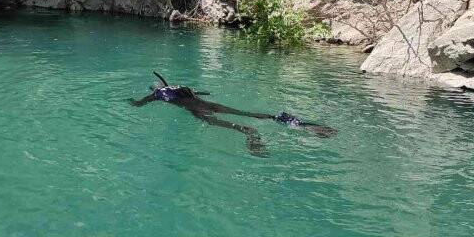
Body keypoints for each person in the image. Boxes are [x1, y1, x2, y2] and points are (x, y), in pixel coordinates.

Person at [130, 72, 336, 155]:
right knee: (248, 112)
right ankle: (300, 124)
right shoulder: (179, 86)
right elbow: (197, 92)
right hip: (208, 102)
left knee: (219, 124)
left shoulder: (157, 94)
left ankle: (249, 133)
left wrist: (133, 102)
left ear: (153, 89)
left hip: (196, 109)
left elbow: (140, 104)